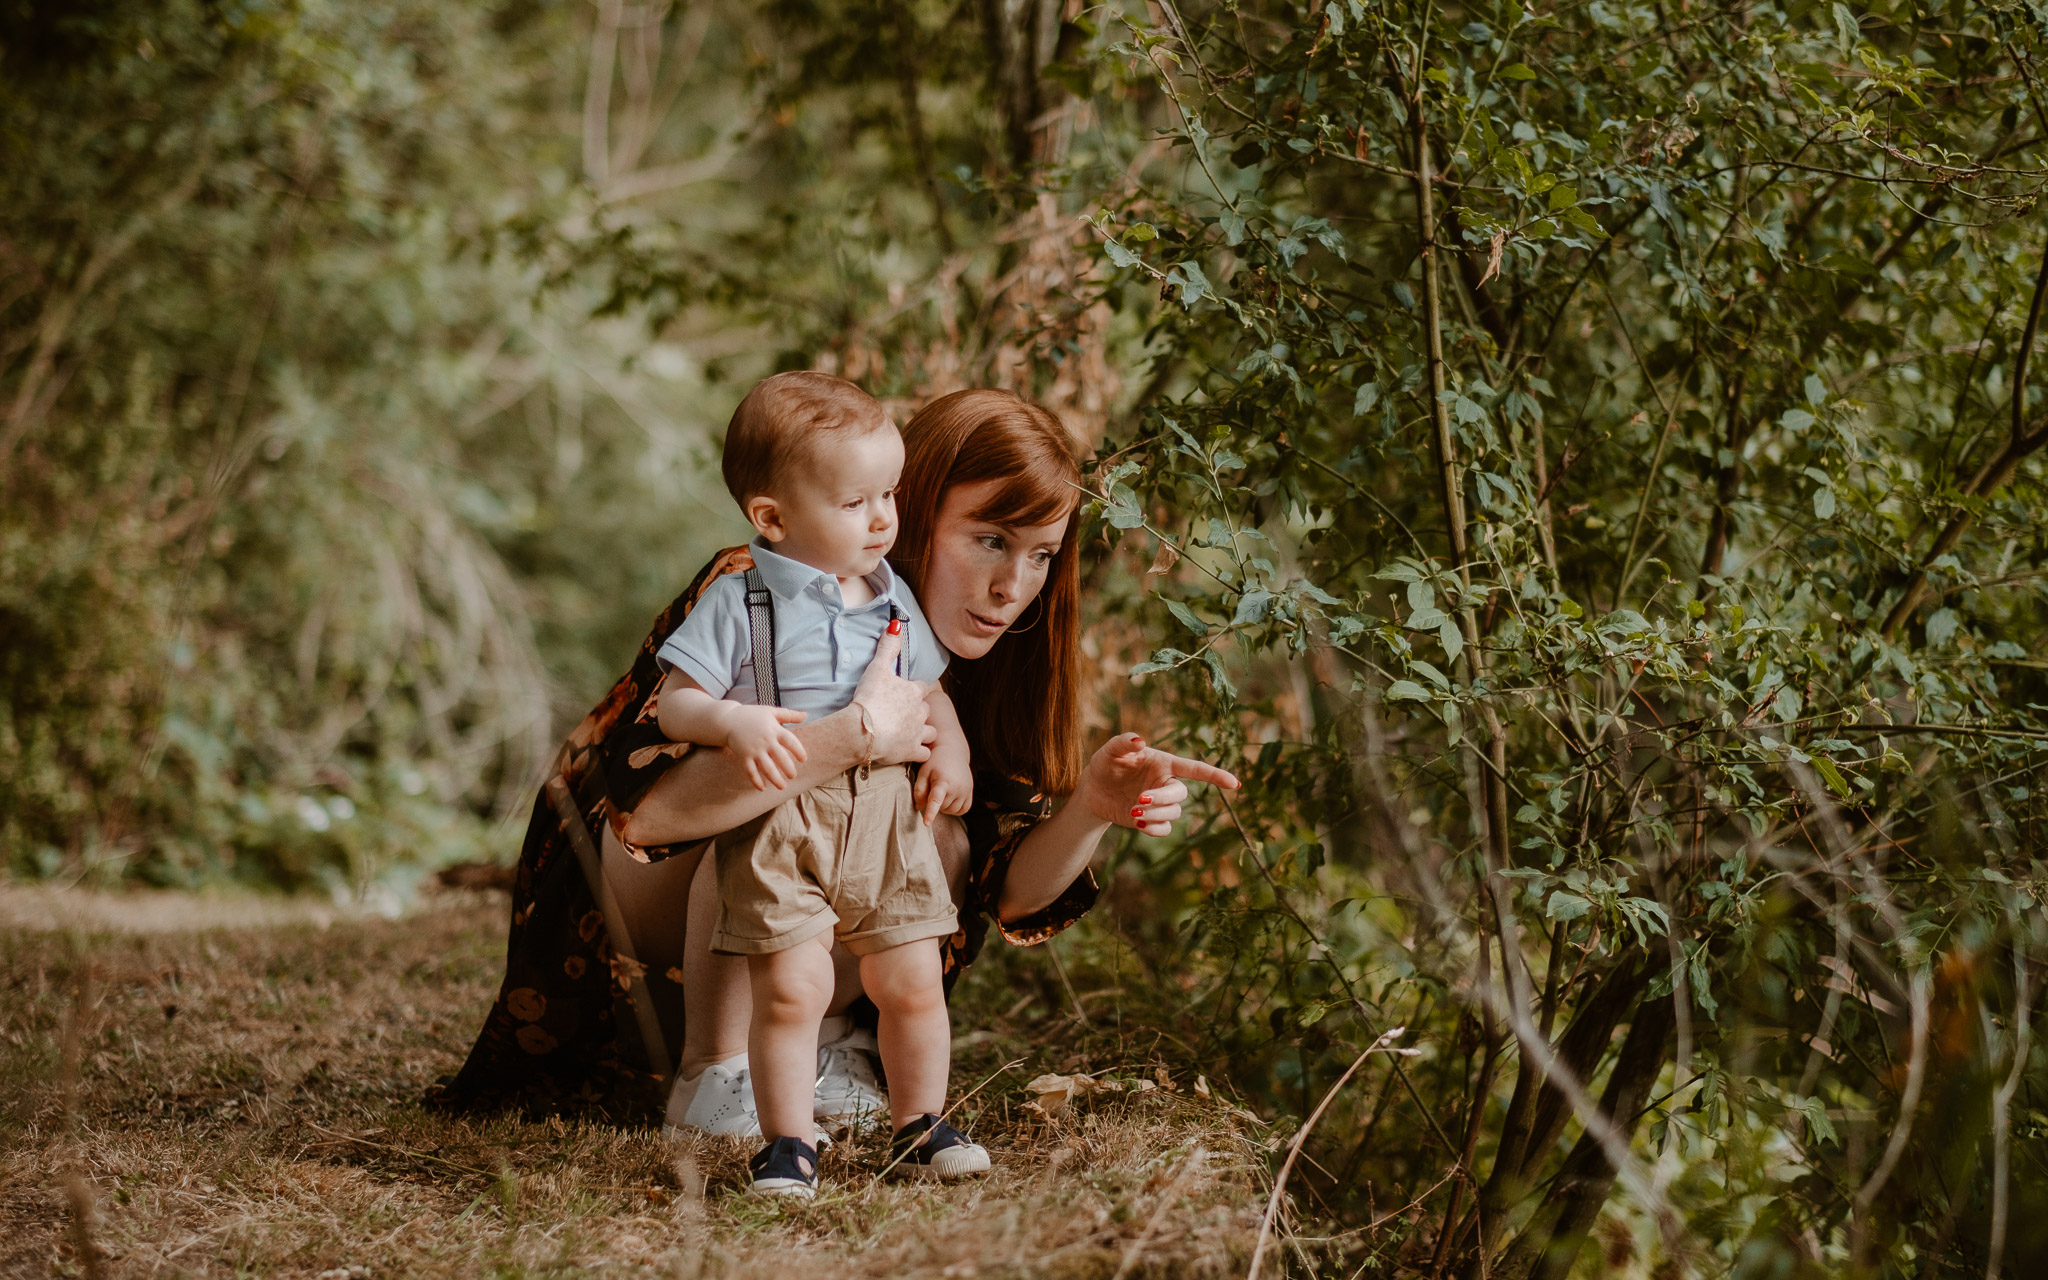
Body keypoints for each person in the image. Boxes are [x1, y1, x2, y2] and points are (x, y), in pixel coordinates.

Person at [428, 387, 1239, 1165]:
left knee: (939, 833)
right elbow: (652, 818)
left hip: (811, 938)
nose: (1011, 586)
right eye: (989, 540)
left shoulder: (998, 661)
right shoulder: (759, 585)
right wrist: (855, 736)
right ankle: (717, 1069)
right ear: (910, 512)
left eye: (1039, 556)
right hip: (647, 924)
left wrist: (1093, 805)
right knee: (769, 812)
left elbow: (1008, 891)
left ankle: (830, 1044)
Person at [651, 372, 984, 1196]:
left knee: (911, 978)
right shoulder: (739, 602)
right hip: (783, 821)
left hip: (883, 820)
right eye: (854, 502)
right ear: (772, 517)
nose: (882, 519)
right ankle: (788, 1142)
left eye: (889, 495)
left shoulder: (887, 594)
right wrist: (735, 723)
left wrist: (955, 753)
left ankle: (920, 1121)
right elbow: (675, 705)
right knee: (793, 990)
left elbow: (925, 688)